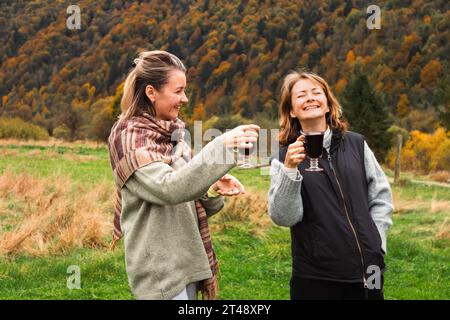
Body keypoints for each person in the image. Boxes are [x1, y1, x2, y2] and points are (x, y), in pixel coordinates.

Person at [107, 50, 259, 300]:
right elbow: (169, 189)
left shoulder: (174, 135)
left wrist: (211, 185)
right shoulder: (128, 137)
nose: (185, 99)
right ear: (151, 92)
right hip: (160, 269)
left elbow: (187, 197)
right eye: (178, 91)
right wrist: (220, 146)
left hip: (186, 259)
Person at [268, 71, 393, 300]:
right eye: (301, 95)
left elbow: (381, 196)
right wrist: (289, 171)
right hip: (317, 276)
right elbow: (284, 217)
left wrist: (377, 243)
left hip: (370, 268)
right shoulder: (284, 157)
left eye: (317, 92)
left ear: (327, 105)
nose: (310, 98)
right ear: (292, 111)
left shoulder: (356, 144)